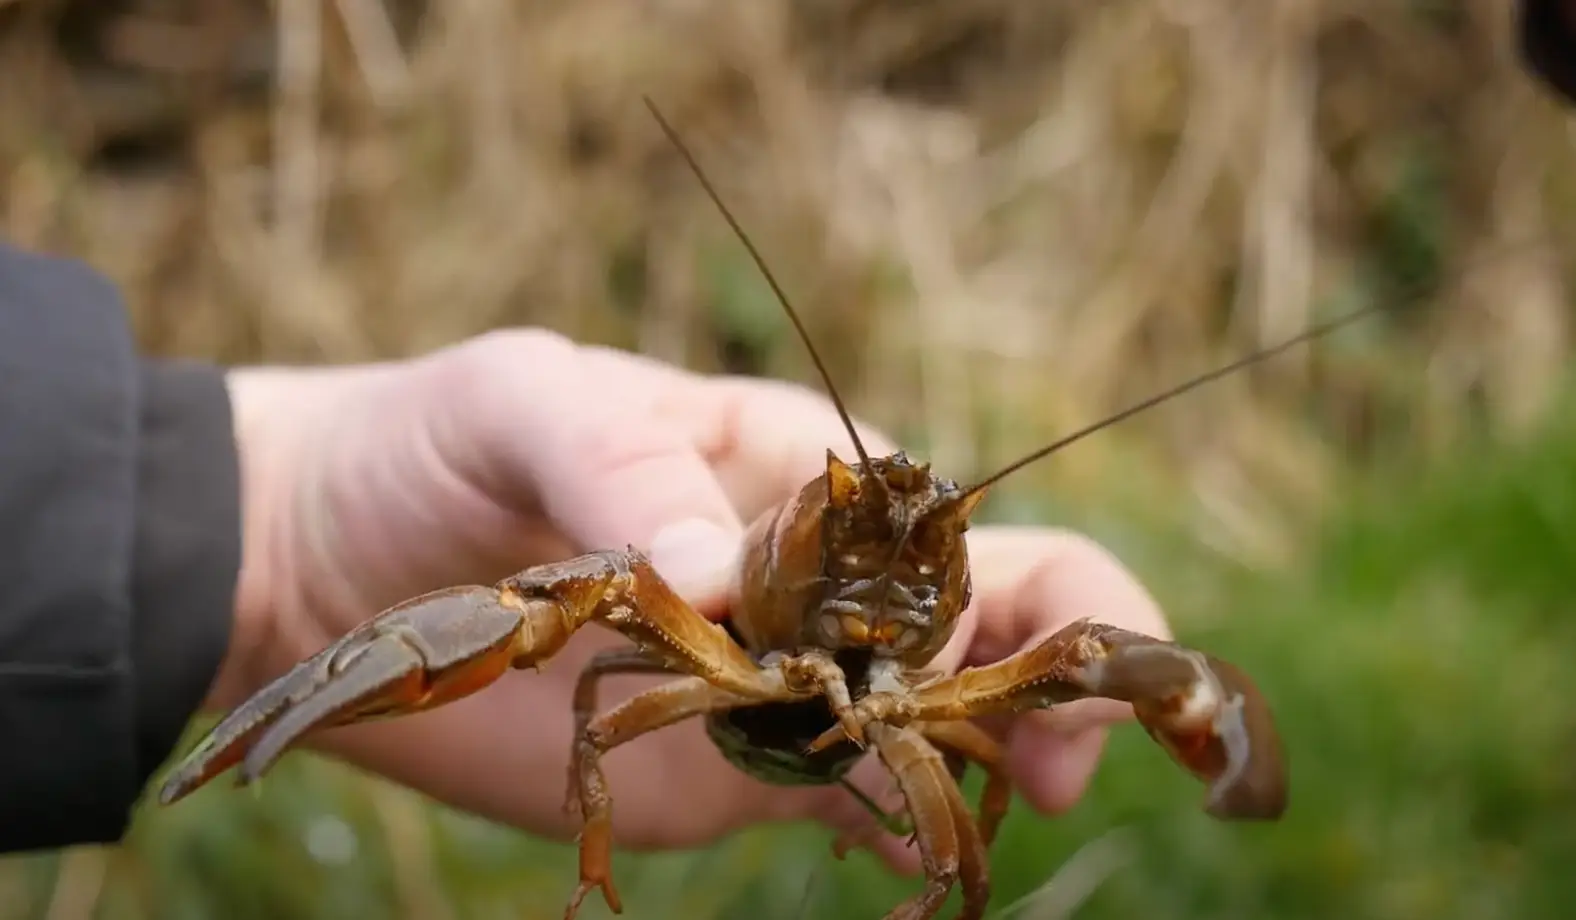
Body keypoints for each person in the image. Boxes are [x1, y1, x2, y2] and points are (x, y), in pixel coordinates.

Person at [3, 2, 1571, 868]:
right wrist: (267, 539)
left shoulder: (948, 639)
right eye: (869, 524)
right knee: (609, 604)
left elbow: (1009, 749)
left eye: (924, 541)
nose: (897, 557)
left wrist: (252, 528)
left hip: (854, 727)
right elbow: (609, 673)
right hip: (726, 676)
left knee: (1052, 697)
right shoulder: (693, 605)